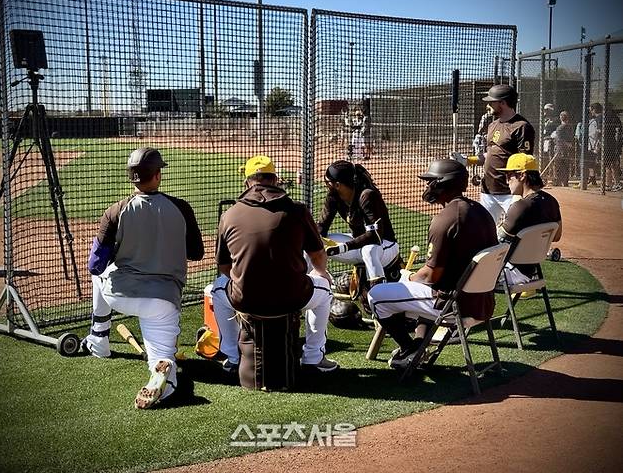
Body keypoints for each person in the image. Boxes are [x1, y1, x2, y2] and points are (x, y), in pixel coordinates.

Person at [84, 147, 204, 409]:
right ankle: (164, 372)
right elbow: (197, 253)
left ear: (131, 177)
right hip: (162, 300)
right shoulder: (181, 208)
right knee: (162, 359)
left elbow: (95, 264)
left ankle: (98, 340)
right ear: (158, 175)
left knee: (99, 276)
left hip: (120, 295)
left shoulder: (116, 210)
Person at [210, 155, 338, 373]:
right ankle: (313, 358)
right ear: (276, 179)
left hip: (245, 300)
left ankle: (232, 358)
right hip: (293, 297)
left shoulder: (230, 215)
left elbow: (224, 268)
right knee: (325, 289)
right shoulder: (297, 210)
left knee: (216, 288)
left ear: (247, 182)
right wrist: (322, 273)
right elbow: (317, 256)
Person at [367, 159, 497, 370]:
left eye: (431, 182)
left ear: (442, 183)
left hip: (454, 306)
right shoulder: (481, 212)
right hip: (483, 302)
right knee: (421, 289)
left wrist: (407, 277)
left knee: (377, 297)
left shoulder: (445, 219)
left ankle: (408, 349)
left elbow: (430, 276)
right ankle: (419, 346)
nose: (427, 187)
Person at [453, 84, 535, 225]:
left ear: (502, 103)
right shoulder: (492, 125)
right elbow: (490, 155)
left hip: (509, 192)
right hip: (488, 189)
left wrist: (520, 190)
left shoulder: (522, 127)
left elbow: (525, 163)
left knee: (517, 230)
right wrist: (467, 161)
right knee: (485, 231)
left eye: (491, 102)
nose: (488, 106)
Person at [317, 160, 400, 288]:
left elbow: (374, 236)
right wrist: (311, 239)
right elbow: (322, 227)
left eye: (328, 182)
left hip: (384, 246)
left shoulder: (367, 196)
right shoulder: (334, 197)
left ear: (338, 184)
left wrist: (343, 247)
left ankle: (379, 295)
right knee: (316, 242)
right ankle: (308, 289)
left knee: (369, 250)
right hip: (357, 245)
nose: (326, 185)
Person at [497, 153, 562, 283]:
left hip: (508, 272)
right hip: (532, 272)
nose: (506, 180)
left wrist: (498, 226)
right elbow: (556, 236)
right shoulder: (552, 202)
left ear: (522, 175)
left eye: (509, 176)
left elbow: (496, 242)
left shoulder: (520, 207)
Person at [593, 103, 623, 191]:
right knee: (612, 163)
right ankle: (613, 183)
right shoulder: (613, 117)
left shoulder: (601, 117)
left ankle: (610, 184)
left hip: (605, 143)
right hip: (612, 142)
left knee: (607, 164)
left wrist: (596, 143)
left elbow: (599, 131)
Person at [552, 110, 573, 187]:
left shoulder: (560, 128)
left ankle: (558, 181)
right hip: (567, 149)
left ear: (561, 118)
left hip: (560, 149)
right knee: (565, 166)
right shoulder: (570, 127)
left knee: (558, 165)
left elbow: (559, 139)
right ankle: (565, 182)